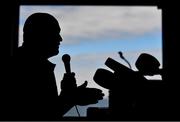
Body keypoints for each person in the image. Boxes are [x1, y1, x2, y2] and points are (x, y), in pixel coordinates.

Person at [8, 13, 104, 120]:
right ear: (39, 34)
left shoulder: (27, 61)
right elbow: (42, 115)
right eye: (55, 33)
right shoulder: (28, 67)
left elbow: (48, 109)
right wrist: (72, 98)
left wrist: (68, 95)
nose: (60, 38)